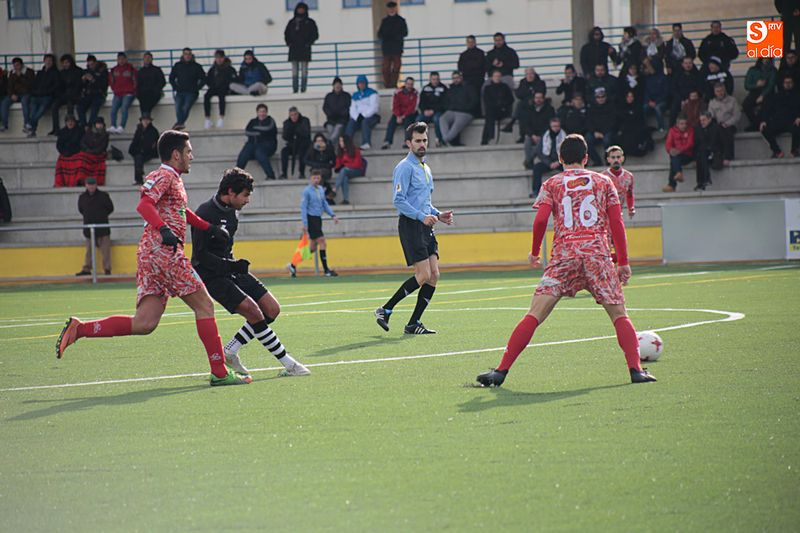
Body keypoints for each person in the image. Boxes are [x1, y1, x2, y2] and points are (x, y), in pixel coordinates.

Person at [56, 130, 251, 386]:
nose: (192, 156)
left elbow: (181, 211)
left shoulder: (174, 179)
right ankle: (219, 372)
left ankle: (80, 329)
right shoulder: (164, 175)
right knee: (205, 306)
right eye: (189, 152)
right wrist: (164, 230)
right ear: (176, 154)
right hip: (164, 253)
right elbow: (144, 205)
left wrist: (207, 228)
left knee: (145, 323)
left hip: (151, 255)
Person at [475, 134, 656, 387]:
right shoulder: (604, 182)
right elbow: (617, 223)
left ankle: (501, 371)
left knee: (535, 313)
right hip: (597, 255)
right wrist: (623, 261)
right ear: (585, 158)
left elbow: (540, 220)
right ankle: (636, 370)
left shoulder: (552, 183)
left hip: (564, 256)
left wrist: (536, 251)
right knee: (618, 314)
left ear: (560, 159)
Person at [193, 168, 311, 376]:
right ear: (231, 192)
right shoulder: (205, 213)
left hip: (231, 268)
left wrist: (233, 265)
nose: (247, 200)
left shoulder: (232, 212)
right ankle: (290, 364)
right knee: (255, 312)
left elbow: (225, 249)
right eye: (245, 195)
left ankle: (230, 351)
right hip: (212, 275)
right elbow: (200, 256)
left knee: (272, 309)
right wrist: (229, 266)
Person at [375, 122, 453, 335]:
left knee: (434, 275)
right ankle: (385, 309)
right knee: (423, 274)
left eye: (424, 140)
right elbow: (398, 200)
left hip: (426, 225)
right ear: (408, 143)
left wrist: (438, 215)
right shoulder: (404, 167)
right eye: (417, 141)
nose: (422, 144)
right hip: (411, 225)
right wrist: (422, 216)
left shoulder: (425, 168)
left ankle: (413, 323)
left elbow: (424, 203)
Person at [288, 169, 340, 278]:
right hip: (311, 219)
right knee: (322, 241)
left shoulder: (321, 189)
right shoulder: (307, 191)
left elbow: (324, 203)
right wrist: (305, 224)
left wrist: (332, 215)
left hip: (317, 219)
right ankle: (326, 270)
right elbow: (303, 208)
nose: (316, 180)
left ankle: (293, 265)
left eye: (318, 178)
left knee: (312, 248)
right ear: (310, 178)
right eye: (314, 178)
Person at [75, 178, 114, 276]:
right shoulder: (82, 197)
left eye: (93, 184)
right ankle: (87, 268)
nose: (91, 187)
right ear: (86, 185)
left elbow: (110, 208)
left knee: (105, 251)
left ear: (96, 185)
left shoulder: (104, 196)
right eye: (89, 184)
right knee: (89, 251)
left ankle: (107, 269)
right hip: (89, 228)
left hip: (103, 227)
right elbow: (81, 209)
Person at [759, 75, 800, 158]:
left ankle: (794, 151)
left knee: (798, 127)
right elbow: (767, 110)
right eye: (786, 82)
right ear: (782, 84)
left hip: (792, 121)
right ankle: (777, 151)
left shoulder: (797, 96)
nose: (788, 84)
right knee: (764, 129)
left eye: (790, 82)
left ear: (793, 84)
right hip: (778, 122)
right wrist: (764, 121)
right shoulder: (776, 96)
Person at [236, 103, 278, 180]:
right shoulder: (252, 121)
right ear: (257, 112)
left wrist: (255, 129)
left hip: (268, 145)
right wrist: (260, 132)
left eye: (264, 111)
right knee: (244, 154)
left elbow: (267, 129)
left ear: (266, 112)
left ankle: (271, 175)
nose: (262, 114)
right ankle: (236, 176)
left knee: (259, 153)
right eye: (260, 112)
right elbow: (247, 132)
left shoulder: (270, 121)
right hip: (253, 144)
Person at [284, 1, 318, 94]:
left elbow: (315, 34)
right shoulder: (292, 22)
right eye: (299, 9)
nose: (301, 10)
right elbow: (286, 34)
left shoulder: (310, 22)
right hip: (294, 50)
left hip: (304, 49)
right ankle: (295, 89)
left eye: (302, 9)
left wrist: (308, 43)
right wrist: (289, 43)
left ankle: (303, 89)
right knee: (294, 72)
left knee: (304, 71)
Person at [506, 67, 547, 140]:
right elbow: (518, 94)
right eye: (527, 74)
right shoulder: (523, 82)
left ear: (534, 74)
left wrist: (528, 94)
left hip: (537, 104)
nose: (530, 76)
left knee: (521, 105)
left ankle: (512, 122)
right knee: (522, 113)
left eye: (531, 74)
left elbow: (541, 93)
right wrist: (530, 92)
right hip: (526, 105)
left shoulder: (540, 82)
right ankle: (522, 135)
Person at [169, 48, 205, 130]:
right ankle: (180, 124)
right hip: (180, 91)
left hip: (192, 93)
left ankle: (179, 124)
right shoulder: (177, 66)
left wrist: (197, 88)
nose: (187, 56)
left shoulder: (197, 66)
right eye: (186, 54)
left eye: (189, 54)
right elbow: (171, 78)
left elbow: (203, 79)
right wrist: (176, 87)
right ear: (183, 55)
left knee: (186, 107)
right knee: (178, 108)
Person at [439, 70, 477, 146]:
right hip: (452, 111)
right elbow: (445, 102)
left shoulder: (469, 87)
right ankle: (446, 139)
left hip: (465, 112)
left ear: (461, 78)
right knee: (442, 119)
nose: (455, 79)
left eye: (457, 78)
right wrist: (449, 108)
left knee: (456, 125)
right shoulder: (450, 89)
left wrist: (464, 108)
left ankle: (444, 140)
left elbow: (474, 101)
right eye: (454, 78)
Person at [530, 116, 565, 197]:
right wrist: (549, 163)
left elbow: (567, 152)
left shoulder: (564, 136)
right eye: (554, 126)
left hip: (561, 162)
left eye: (557, 126)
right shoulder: (545, 136)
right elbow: (539, 152)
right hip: (548, 162)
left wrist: (559, 162)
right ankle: (536, 190)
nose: (556, 128)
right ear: (550, 126)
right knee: (537, 168)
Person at [48, 54, 83, 136]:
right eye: (63, 63)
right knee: (54, 106)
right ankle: (56, 128)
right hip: (64, 96)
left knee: (70, 106)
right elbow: (59, 86)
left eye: (67, 62)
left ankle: (70, 127)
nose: (65, 65)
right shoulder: (61, 73)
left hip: (74, 96)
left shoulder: (78, 71)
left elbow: (79, 86)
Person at [27, 54, 60, 137]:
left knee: (40, 111)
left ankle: (30, 124)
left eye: (50, 60)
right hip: (36, 96)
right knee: (33, 111)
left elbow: (56, 86)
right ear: (44, 61)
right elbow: (34, 84)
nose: (48, 62)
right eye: (47, 60)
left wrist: (46, 92)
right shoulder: (40, 73)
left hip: (47, 96)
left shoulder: (55, 73)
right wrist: (34, 92)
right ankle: (32, 129)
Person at [707, 83, 740, 164]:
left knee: (726, 131)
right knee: (716, 130)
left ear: (725, 91)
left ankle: (728, 156)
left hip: (730, 125)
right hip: (717, 125)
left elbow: (737, 115)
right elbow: (710, 116)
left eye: (721, 91)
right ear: (715, 92)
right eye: (717, 91)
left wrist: (727, 123)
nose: (720, 93)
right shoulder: (712, 102)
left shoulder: (732, 100)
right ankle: (716, 155)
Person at [377, 1, 408, 89]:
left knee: (396, 68)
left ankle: (393, 84)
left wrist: (392, 35)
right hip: (387, 50)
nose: (391, 10)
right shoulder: (384, 21)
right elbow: (379, 34)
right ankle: (388, 85)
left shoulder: (401, 20)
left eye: (393, 8)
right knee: (385, 69)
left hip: (397, 49)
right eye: (389, 8)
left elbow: (405, 33)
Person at [522, 92, 556, 169]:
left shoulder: (549, 109)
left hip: (545, 134)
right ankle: (529, 161)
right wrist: (533, 135)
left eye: (540, 98)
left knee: (539, 145)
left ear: (543, 99)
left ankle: (528, 161)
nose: (538, 100)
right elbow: (526, 125)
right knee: (527, 140)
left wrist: (542, 136)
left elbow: (550, 125)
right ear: (534, 99)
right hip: (532, 134)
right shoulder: (529, 109)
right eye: (537, 98)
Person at [203, 49, 236, 129]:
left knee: (222, 97)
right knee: (206, 96)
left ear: (224, 58)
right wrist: (212, 85)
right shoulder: (213, 69)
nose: (219, 59)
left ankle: (221, 118)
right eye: (217, 57)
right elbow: (208, 79)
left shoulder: (229, 69)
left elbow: (233, 79)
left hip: (225, 88)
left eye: (220, 57)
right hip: (214, 88)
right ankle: (207, 118)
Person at [382, 76, 418, 150]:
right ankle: (387, 142)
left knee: (409, 121)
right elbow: (395, 105)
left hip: (409, 114)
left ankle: (407, 142)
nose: (409, 86)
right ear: (405, 84)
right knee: (391, 122)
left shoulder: (415, 93)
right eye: (408, 84)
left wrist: (403, 116)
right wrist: (398, 116)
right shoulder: (398, 92)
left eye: (411, 84)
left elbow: (413, 107)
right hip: (399, 114)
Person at [345, 75, 380, 150]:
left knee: (365, 122)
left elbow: (374, 107)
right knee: (351, 123)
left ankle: (366, 143)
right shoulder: (355, 95)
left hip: (371, 116)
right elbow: (352, 109)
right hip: (358, 117)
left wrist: (364, 115)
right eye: (359, 83)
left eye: (363, 83)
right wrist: (357, 117)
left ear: (366, 83)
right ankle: (347, 144)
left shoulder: (372, 93)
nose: (361, 85)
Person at [601, 145, 635, 219]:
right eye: (613, 157)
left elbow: (629, 194)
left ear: (622, 158)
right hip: (605, 215)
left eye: (618, 157)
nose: (616, 160)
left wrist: (631, 208)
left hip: (619, 213)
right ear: (608, 159)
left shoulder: (629, 176)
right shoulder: (602, 177)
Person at [481, 69, 514, 145]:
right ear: (492, 77)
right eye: (495, 76)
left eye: (499, 76)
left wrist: (502, 105)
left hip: (503, 110)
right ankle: (488, 138)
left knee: (489, 116)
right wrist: (497, 105)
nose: (497, 78)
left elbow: (510, 99)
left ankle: (488, 138)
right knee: (490, 114)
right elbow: (487, 101)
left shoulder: (505, 87)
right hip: (492, 110)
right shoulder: (487, 88)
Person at [663, 113, 694, 192]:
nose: (684, 126)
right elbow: (668, 144)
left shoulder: (690, 130)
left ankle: (671, 184)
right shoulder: (672, 131)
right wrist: (670, 150)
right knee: (673, 156)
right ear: (677, 124)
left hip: (688, 154)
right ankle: (678, 173)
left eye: (685, 123)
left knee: (673, 159)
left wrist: (679, 150)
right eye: (681, 124)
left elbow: (690, 144)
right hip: (677, 155)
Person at [743, 58, 777, 131]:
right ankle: (756, 124)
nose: (765, 60)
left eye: (767, 59)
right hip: (754, 93)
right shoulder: (752, 70)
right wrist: (756, 85)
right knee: (746, 104)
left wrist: (762, 95)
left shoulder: (772, 70)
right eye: (764, 58)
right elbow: (747, 85)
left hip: (768, 93)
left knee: (766, 104)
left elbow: (771, 85)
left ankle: (763, 124)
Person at [0, 58, 33, 133]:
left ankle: (27, 123)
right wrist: (11, 94)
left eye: (17, 65)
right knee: (4, 102)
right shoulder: (12, 73)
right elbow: (9, 86)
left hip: (26, 93)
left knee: (25, 102)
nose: (16, 67)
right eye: (14, 65)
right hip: (15, 94)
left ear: (21, 65)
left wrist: (20, 76)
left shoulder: (29, 72)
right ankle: (4, 124)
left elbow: (30, 85)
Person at [107, 52, 137, 134]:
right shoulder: (114, 70)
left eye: (123, 59)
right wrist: (114, 89)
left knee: (124, 107)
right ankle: (113, 125)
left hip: (128, 93)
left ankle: (121, 127)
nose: (121, 61)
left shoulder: (131, 69)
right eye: (119, 59)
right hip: (117, 93)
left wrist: (132, 90)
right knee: (113, 109)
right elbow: (111, 81)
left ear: (126, 59)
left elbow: (136, 81)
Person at [586, 88, 617, 166]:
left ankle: (608, 160)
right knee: (586, 141)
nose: (600, 99)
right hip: (595, 132)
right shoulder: (591, 108)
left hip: (607, 131)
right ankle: (597, 161)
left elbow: (613, 121)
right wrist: (594, 132)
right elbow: (588, 121)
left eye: (602, 96)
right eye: (598, 97)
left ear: (606, 97)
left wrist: (603, 132)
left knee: (607, 141)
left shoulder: (612, 107)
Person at [333, 134, 365, 205]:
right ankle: (346, 199)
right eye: (340, 141)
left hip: (357, 170)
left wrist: (346, 166)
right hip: (345, 171)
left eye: (342, 141)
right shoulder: (340, 152)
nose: (340, 143)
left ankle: (335, 189)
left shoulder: (355, 150)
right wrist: (339, 167)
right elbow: (338, 164)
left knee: (344, 170)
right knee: (344, 177)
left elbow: (357, 164)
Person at [77, 55, 108, 128]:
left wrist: (93, 80)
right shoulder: (86, 71)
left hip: (99, 94)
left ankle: (90, 125)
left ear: (96, 63)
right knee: (80, 107)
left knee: (94, 108)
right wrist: (83, 80)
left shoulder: (102, 71)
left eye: (92, 64)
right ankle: (83, 125)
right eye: (89, 64)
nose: (91, 66)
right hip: (88, 94)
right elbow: (80, 85)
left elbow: (103, 85)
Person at [76, 116, 109, 186]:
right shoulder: (89, 132)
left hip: (98, 154)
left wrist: (93, 152)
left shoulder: (105, 135)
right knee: (80, 157)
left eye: (101, 124)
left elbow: (103, 147)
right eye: (98, 124)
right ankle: (80, 179)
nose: (99, 125)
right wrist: (87, 149)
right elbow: (82, 142)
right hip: (88, 152)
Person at [670, 56, 703, 125]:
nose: (688, 65)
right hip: (679, 98)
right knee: (674, 108)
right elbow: (673, 89)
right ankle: (672, 129)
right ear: (682, 64)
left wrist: (690, 98)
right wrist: (681, 100)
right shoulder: (677, 74)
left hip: (693, 98)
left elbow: (700, 88)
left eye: (690, 63)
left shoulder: (697, 74)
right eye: (686, 63)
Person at [53, 114, 85, 187]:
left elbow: (81, 144)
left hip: (76, 152)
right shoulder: (62, 132)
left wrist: (72, 152)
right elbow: (59, 145)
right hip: (65, 153)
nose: (70, 123)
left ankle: (78, 180)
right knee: (60, 160)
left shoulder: (80, 131)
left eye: (72, 121)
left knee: (80, 159)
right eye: (68, 122)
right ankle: (61, 181)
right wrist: (64, 152)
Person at [281, 106, 311, 180]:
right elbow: (285, 136)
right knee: (284, 152)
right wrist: (290, 129)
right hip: (292, 145)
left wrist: (298, 129)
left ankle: (302, 173)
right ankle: (284, 173)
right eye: (292, 115)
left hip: (303, 144)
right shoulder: (287, 122)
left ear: (298, 114)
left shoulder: (305, 120)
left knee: (302, 152)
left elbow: (306, 133)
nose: (294, 117)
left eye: (295, 114)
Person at [305, 133, 337, 203]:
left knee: (318, 175)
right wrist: (316, 164)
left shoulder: (329, 149)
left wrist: (326, 164)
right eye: (317, 141)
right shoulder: (312, 149)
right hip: (315, 169)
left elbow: (334, 162)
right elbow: (306, 160)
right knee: (317, 176)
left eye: (321, 140)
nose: (319, 142)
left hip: (326, 170)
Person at [458, 35, 486, 116]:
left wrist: (469, 67)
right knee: (469, 97)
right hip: (467, 80)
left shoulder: (480, 53)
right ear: (466, 43)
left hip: (479, 80)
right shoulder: (463, 55)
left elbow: (482, 66)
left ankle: (479, 114)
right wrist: (474, 66)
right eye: (468, 42)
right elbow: (461, 68)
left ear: (475, 42)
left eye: (472, 42)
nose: (470, 44)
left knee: (478, 98)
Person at [694, 111, 722, 191]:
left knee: (701, 156)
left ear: (709, 119)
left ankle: (701, 182)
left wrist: (727, 157)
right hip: (703, 154)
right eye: (701, 120)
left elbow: (723, 142)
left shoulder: (716, 128)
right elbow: (696, 144)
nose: (702, 122)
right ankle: (705, 180)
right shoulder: (698, 129)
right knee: (700, 156)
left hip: (715, 153)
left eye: (704, 120)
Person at [417, 71, 447, 146]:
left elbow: (445, 104)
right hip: (426, 112)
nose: (435, 81)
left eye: (437, 79)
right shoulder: (425, 89)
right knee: (418, 120)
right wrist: (424, 111)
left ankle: (438, 140)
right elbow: (421, 103)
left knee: (437, 119)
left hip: (438, 112)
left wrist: (433, 110)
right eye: (433, 79)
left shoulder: (444, 88)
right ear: (430, 79)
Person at [642, 57, 670, 132]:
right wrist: (649, 101)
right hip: (650, 101)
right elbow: (646, 91)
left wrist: (656, 101)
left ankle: (661, 127)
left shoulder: (664, 78)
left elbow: (666, 93)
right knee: (643, 108)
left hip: (661, 101)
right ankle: (644, 126)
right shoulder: (647, 78)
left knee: (658, 108)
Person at [129, 115, 159, 185]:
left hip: (150, 152)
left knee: (138, 158)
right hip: (139, 152)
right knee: (138, 157)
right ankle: (139, 174)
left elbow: (152, 144)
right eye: (144, 120)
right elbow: (135, 142)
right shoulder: (138, 130)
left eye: (147, 120)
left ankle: (138, 178)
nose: (145, 122)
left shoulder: (153, 131)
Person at [136, 52, 166, 119]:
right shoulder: (140, 71)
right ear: (143, 59)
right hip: (143, 93)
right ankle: (146, 118)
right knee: (143, 102)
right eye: (145, 58)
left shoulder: (157, 70)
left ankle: (145, 118)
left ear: (152, 59)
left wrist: (156, 89)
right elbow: (138, 84)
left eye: (149, 58)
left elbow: (162, 81)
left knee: (147, 103)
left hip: (154, 93)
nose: (147, 59)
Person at [323, 77, 351, 143]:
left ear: (341, 86)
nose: (337, 86)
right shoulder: (328, 96)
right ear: (333, 86)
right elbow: (325, 107)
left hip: (342, 121)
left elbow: (348, 108)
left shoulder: (346, 96)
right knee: (331, 131)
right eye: (336, 84)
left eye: (339, 84)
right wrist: (331, 114)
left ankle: (328, 145)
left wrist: (340, 114)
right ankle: (333, 150)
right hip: (330, 120)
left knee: (337, 131)